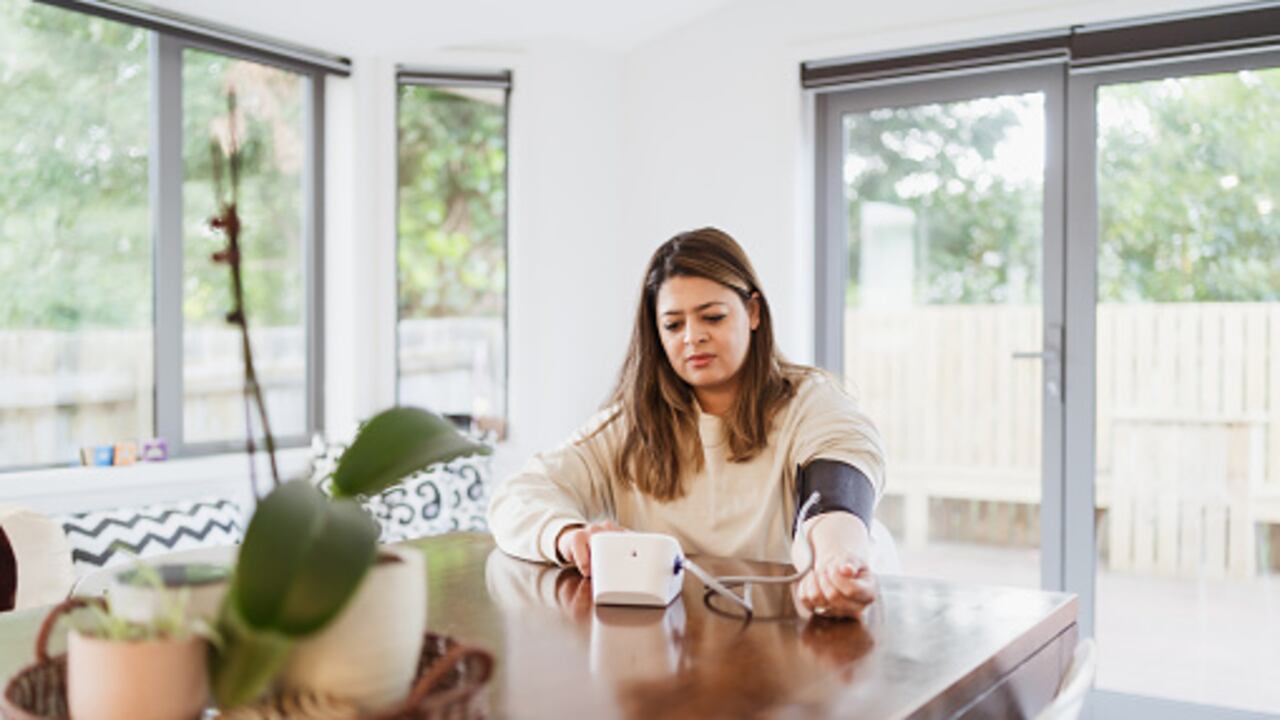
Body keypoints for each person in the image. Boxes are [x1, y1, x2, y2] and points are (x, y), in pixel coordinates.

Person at [488, 227, 886, 620]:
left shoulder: (811, 403)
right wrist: (567, 535)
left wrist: (837, 562)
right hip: (654, 648)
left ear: (753, 312)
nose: (692, 338)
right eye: (673, 325)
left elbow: (836, 500)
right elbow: (518, 496)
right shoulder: (631, 425)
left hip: (776, 641)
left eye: (711, 317)